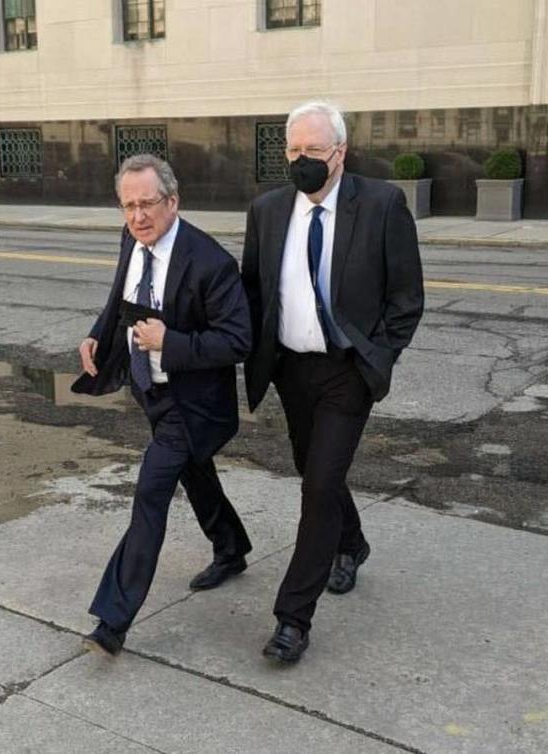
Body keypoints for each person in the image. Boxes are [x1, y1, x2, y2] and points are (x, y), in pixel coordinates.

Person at [241, 102, 424, 663]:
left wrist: (378, 358)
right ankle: (352, 542)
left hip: (348, 372)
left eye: (312, 151)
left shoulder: (382, 204)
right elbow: (252, 293)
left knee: (318, 485)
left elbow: (406, 299)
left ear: (339, 153)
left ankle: (293, 618)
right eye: (292, 151)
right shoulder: (268, 210)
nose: (300, 161)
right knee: (313, 468)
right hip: (292, 369)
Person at [74, 154, 253, 656]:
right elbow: (120, 300)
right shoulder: (132, 239)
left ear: (173, 201)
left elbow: (238, 340)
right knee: (195, 471)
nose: (137, 216)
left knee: (151, 494)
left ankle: (113, 620)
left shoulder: (210, 262)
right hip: (150, 392)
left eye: (147, 204)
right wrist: (96, 335)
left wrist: (170, 342)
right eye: (128, 206)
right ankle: (232, 548)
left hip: (193, 404)